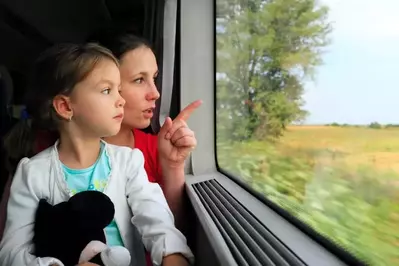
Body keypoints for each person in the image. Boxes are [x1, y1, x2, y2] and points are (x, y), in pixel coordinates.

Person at [0, 43, 193, 266]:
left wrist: (172, 254)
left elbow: (157, 220)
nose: (120, 100)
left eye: (119, 90)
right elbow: (11, 252)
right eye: (106, 90)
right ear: (65, 107)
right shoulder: (32, 174)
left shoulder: (128, 162)